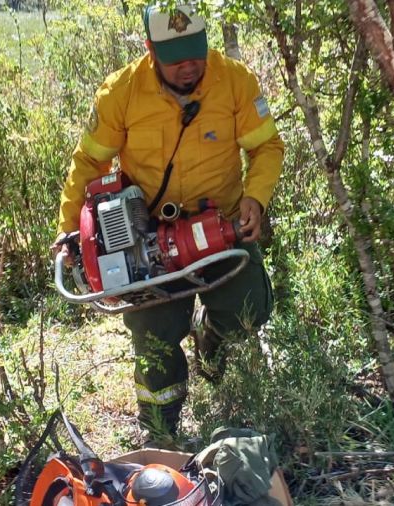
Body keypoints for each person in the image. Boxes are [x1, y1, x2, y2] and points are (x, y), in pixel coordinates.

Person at [54, 3, 284, 442]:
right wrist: (67, 231)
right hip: (147, 240)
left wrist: (256, 196)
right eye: (175, 57)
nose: (188, 65)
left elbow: (267, 147)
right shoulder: (121, 92)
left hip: (223, 228)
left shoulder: (235, 81)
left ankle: (211, 341)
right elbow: (88, 163)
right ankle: (161, 434)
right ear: (149, 49)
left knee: (248, 312)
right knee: (155, 343)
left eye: (195, 52)